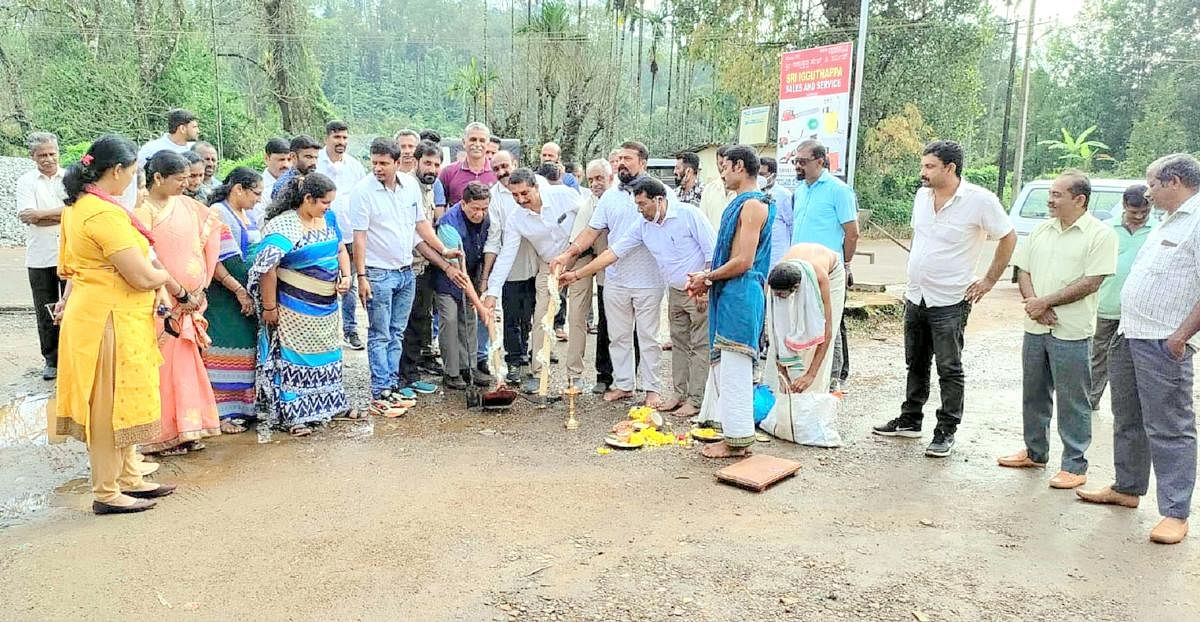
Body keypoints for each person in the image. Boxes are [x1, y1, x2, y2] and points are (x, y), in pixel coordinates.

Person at [1077, 153, 1200, 545]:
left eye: (1152, 185)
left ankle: (1175, 512)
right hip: (1129, 334)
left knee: (1169, 427)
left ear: (1175, 181)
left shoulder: (1197, 221)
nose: (1147, 193)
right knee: (1127, 416)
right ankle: (1128, 488)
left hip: (1164, 340)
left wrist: (1180, 336)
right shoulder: (1168, 219)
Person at [55, 134, 177, 514]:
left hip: (112, 315)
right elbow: (140, 274)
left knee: (123, 400)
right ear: (118, 170)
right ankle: (106, 492)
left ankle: (129, 477)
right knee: (108, 408)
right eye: (134, 172)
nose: (135, 180)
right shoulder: (102, 214)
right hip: (105, 320)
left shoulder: (81, 206)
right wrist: (165, 278)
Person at [872, 140, 1016, 458]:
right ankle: (910, 419)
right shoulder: (922, 197)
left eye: (929, 166)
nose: (922, 172)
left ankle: (946, 430)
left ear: (950, 168)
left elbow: (1008, 235)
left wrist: (989, 280)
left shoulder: (980, 201)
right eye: (923, 165)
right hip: (916, 296)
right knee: (916, 362)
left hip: (951, 299)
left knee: (949, 367)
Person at [998, 170, 1117, 488]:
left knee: (1073, 399)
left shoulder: (1100, 235)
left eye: (1057, 195)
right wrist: (1034, 303)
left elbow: (1092, 281)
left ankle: (1075, 466)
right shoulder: (1040, 230)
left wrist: (1045, 303)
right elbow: (1023, 270)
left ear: (1080, 199)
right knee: (1033, 394)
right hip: (1035, 326)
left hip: (1072, 330)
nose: (1050, 200)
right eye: (1050, 193)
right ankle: (1035, 453)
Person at [561, 176, 715, 417]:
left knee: (699, 346)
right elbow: (613, 253)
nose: (639, 210)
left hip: (697, 290)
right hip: (675, 291)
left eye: (643, 205)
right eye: (637, 205)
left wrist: (705, 286)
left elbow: (711, 251)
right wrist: (577, 274)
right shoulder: (643, 225)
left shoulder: (689, 214)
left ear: (660, 199)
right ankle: (678, 394)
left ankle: (696, 400)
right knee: (680, 345)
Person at [351, 138, 466, 405]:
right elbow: (360, 238)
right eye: (374, 162)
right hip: (378, 272)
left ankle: (392, 382)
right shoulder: (362, 192)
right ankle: (381, 387)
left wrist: (442, 249)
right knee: (380, 333)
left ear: (397, 163)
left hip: (406, 271)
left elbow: (420, 225)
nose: (378, 168)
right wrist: (361, 276)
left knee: (397, 331)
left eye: (383, 163)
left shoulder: (410, 186)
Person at [552, 141, 665, 407]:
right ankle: (624, 384)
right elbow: (591, 231)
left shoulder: (661, 193)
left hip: (649, 279)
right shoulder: (610, 197)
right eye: (620, 158)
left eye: (629, 158)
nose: (622, 163)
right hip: (615, 278)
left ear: (643, 163)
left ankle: (652, 389)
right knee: (619, 336)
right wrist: (568, 255)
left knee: (648, 337)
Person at [251, 172, 356, 436]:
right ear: (308, 199)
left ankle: (331, 405)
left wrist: (346, 276)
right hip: (292, 309)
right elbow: (267, 267)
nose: (327, 208)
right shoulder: (285, 225)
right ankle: (294, 415)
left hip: (327, 308)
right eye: (324, 203)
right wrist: (269, 306)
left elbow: (341, 249)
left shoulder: (328, 219)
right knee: (293, 361)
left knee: (329, 355)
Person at [686, 145, 774, 458]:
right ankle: (731, 433)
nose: (721, 174)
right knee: (724, 365)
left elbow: (744, 261)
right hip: (729, 291)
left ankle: (738, 441)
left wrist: (707, 277)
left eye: (723, 167)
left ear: (738, 166)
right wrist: (706, 277)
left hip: (741, 293)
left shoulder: (752, 205)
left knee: (735, 366)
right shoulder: (741, 202)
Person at [133, 151, 223, 456]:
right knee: (161, 368)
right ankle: (160, 434)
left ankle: (188, 428)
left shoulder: (186, 204)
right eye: (180, 179)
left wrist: (199, 288)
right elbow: (147, 258)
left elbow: (210, 230)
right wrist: (180, 292)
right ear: (158, 178)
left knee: (185, 366)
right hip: (161, 302)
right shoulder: (142, 211)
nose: (187, 185)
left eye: (188, 179)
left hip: (191, 302)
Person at [482, 168, 579, 394]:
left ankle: (575, 377)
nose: (520, 199)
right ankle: (538, 373)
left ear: (536, 186)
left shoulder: (564, 195)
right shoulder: (516, 219)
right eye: (515, 195)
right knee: (542, 317)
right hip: (549, 265)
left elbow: (589, 218)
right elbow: (507, 255)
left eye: (525, 193)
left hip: (579, 257)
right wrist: (492, 292)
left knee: (577, 318)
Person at [791, 139, 858, 393]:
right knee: (805, 319)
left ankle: (833, 377)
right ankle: (806, 371)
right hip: (800, 268)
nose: (798, 166)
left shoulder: (838, 191)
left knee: (831, 322)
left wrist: (846, 265)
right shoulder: (800, 191)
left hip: (828, 269)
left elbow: (852, 233)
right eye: (796, 161)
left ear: (820, 161)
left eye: (803, 162)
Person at [760, 243, 845, 440]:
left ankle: (809, 408)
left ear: (797, 289)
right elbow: (776, 331)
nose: (779, 299)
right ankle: (780, 406)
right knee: (787, 329)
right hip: (794, 271)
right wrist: (782, 373)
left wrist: (810, 375)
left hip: (831, 272)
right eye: (777, 295)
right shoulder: (775, 281)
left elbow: (826, 331)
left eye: (784, 296)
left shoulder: (821, 277)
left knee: (812, 334)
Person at [203, 167, 264, 434]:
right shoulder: (218, 213)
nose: (258, 199)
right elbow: (215, 260)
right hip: (224, 297)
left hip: (246, 294)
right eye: (256, 193)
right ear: (238, 189)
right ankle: (221, 413)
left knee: (246, 349)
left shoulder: (246, 214)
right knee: (223, 349)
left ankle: (243, 407)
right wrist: (238, 289)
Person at [1087, 185, 1152, 413]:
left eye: (1145, 211)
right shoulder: (1106, 230)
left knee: (1137, 360)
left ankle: (1132, 408)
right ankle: (1090, 401)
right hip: (1108, 305)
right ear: (1125, 205)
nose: (1140, 216)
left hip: (1141, 310)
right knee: (1099, 356)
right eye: (1135, 211)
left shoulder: (1158, 230)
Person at [481, 151, 540, 385]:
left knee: (532, 314)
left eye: (505, 166)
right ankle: (514, 361)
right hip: (510, 263)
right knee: (512, 315)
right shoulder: (494, 197)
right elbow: (495, 238)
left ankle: (531, 358)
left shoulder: (533, 185)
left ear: (515, 164)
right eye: (496, 168)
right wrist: (488, 277)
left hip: (537, 260)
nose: (501, 172)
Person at [16, 132, 66, 381]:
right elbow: (28, 217)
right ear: (32, 156)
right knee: (45, 309)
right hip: (39, 256)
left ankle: (70, 358)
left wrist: (41, 215)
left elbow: (76, 212)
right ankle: (51, 360)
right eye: (42, 155)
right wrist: (62, 215)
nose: (48, 159)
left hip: (70, 254)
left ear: (58, 152)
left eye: (52, 153)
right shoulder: (26, 181)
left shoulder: (69, 178)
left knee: (72, 307)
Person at [433, 181, 494, 390]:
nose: (480, 214)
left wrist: (480, 290)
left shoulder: (486, 219)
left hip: (472, 275)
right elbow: (459, 271)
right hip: (448, 277)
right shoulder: (448, 225)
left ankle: (470, 366)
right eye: (475, 209)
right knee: (450, 319)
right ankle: (451, 372)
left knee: (469, 321)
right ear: (463, 203)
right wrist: (480, 304)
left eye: (484, 209)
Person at [398, 137, 447, 392]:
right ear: (416, 161)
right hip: (407, 265)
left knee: (420, 321)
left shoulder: (430, 188)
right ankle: (401, 378)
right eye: (428, 163)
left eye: (437, 164)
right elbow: (417, 234)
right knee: (403, 324)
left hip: (425, 266)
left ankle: (412, 374)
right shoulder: (407, 187)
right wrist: (443, 253)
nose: (432, 169)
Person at [563, 159, 615, 394]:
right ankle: (573, 375)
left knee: (607, 318)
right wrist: (565, 272)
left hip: (609, 262)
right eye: (591, 179)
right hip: (583, 259)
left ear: (610, 178)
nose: (595, 184)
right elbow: (577, 241)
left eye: (599, 178)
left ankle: (606, 375)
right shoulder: (585, 203)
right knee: (576, 315)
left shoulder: (618, 200)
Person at [316, 120, 368, 351]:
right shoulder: (317, 164)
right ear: (327, 137)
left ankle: (350, 330)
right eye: (337, 138)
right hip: (322, 235)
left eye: (345, 138)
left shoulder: (355, 166)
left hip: (350, 235)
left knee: (350, 284)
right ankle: (322, 333)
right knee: (323, 281)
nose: (341, 142)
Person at [439, 122, 498, 206]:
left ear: (487, 144)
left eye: (482, 140)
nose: (477, 144)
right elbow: (440, 207)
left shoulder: (497, 173)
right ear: (463, 142)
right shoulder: (448, 173)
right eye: (473, 139)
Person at [760, 157, 794, 267]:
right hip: (760, 252)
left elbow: (792, 225)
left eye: (762, 174)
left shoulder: (784, 195)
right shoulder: (754, 193)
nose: (759, 178)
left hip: (778, 253)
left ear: (773, 175)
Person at [271, 135, 321, 199]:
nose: (314, 162)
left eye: (316, 158)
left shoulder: (315, 179)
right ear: (293, 156)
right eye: (308, 157)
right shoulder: (284, 185)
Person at [255, 137, 292, 220]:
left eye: (289, 159)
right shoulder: (257, 188)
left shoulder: (298, 183)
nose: (286, 165)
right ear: (267, 158)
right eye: (281, 160)